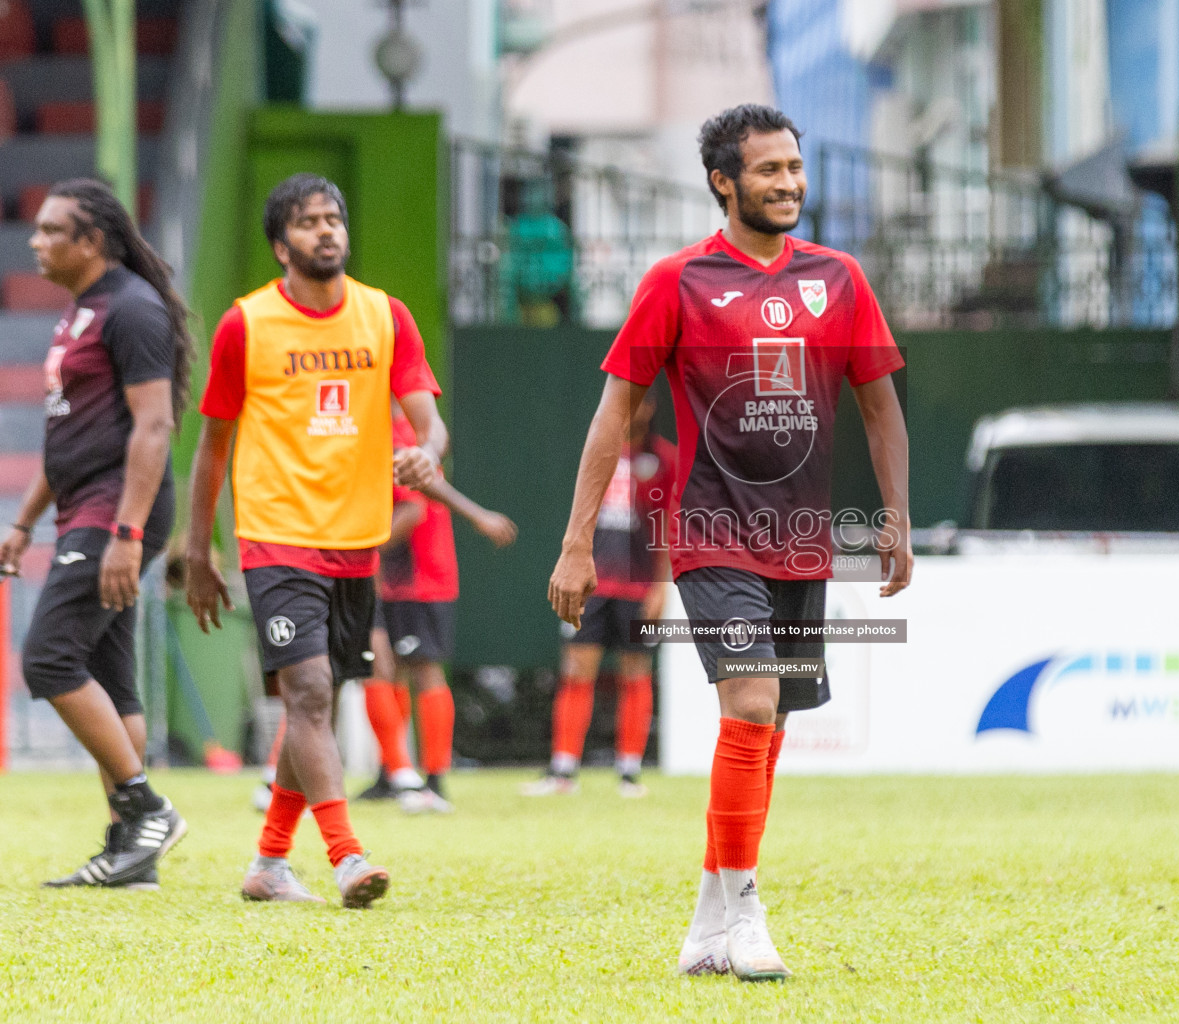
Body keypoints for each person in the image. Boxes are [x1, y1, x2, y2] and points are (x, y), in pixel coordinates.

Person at [548, 104, 912, 981]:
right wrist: (576, 540)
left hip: (802, 539)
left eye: (794, 166)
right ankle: (747, 915)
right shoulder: (676, 282)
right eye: (768, 170)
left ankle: (709, 922)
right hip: (711, 532)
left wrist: (895, 513)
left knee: (770, 725)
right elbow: (616, 413)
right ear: (723, 181)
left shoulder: (840, 278)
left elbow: (879, 404)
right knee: (750, 704)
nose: (788, 183)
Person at [185, 173, 447, 907]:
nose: (326, 230)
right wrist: (198, 549)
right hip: (275, 535)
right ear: (281, 245)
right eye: (307, 222)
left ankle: (270, 863)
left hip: (356, 541)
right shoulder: (247, 324)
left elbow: (428, 419)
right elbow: (212, 444)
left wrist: (427, 450)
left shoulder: (384, 316)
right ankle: (345, 855)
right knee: (308, 692)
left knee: (320, 705)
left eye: (333, 217)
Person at [0, 179, 194, 891]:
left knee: (49, 658)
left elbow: (153, 427)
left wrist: (127, 533)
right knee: (112, 681)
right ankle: (129, 849)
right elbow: (69, 434)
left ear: (91, 241)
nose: (36, 240)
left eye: (53, 230)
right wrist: (23, 522)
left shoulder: (131, 310)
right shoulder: (81, 311)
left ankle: (147, 809)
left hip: (116, 511)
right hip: (87, 505)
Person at [360, 406, 517, 812]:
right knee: (382, 667)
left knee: (422, 669)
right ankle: (392, 772)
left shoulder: (399, 436)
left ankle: (433, 778)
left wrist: (360, 551)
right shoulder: (378, 433)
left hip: (419, 576)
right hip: (391, 576)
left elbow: (412, 509)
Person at [525, 388, 674, 799]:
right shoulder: (599, 449)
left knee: (636, 673)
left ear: (651, 408)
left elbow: (670, 526)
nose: (632, 410)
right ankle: (563, 770)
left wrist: (662, 588)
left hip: (639, 585)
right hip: (593, 584)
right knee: (576, 669)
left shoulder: (664, 459)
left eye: (641, 401)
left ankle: (629, 773)